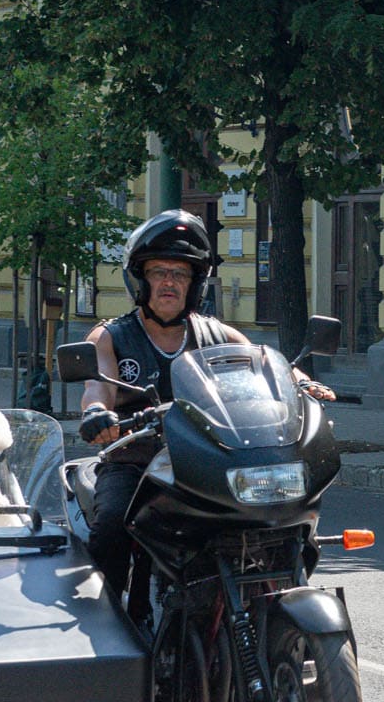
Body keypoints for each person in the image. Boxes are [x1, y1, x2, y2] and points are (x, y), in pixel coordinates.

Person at [79, 210, 333, 612]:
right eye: (158, 272)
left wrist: (300, 382)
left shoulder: (217, 335)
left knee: (268, 514)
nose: (169, 282)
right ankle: (105, 624)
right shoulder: (111, 336)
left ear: (194, 283)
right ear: (140, 279)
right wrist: (97, 413)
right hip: (136, 460)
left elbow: (266, 365)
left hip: (202, 461)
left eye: (180, 274)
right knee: (112, 524)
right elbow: (97, 387)